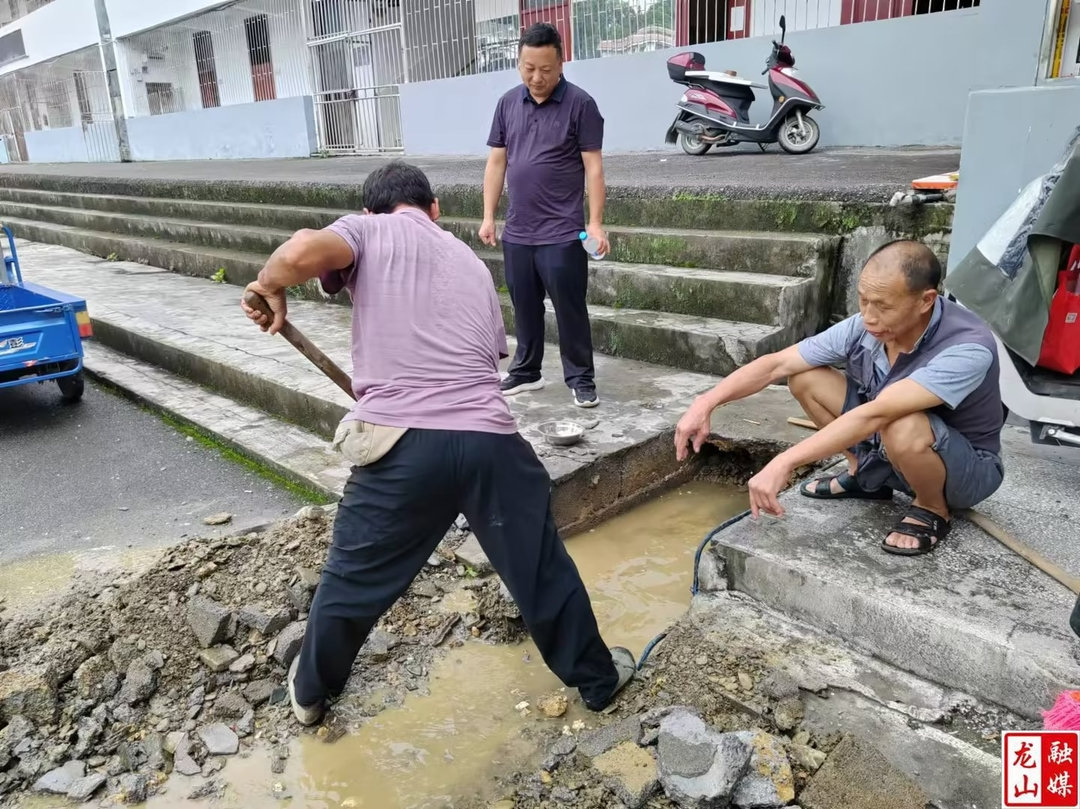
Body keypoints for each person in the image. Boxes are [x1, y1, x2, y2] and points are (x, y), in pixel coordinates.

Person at [240, 161, 635, 726]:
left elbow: (302, 250)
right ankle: (598, 680)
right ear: (435, 211)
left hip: (403, 446)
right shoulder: (471, 262)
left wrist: (268, 285)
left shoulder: (366, 229)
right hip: (492, 442)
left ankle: (309, 694)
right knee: (540, 570)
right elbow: (485, 357)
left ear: (372, 210)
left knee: (353, 581)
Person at [674, 240, 1005, 556]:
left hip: (964, 469)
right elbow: (777, 364)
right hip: (889, 441)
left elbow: (876, 415)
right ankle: (864, 474)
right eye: (863, 300)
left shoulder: (967, 348)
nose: (869, 316)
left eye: (884, 306)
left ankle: (932, 507)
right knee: (806, 377)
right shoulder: (866, 325)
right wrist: (705, 403)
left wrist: (784, 462)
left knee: (901, 422)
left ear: (925, 300)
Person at [479, 21, 607, 409]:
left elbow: (594, 168)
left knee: (569, 309)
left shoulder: (581, 104)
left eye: (545, 69)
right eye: (528, 68)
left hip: (562, 232)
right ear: (519, 63)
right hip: (518, 231)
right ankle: (526, 371)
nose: (536, 77)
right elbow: (496, 162)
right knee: (524, 305)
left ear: (561, 63)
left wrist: (595, 223)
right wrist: (489, 216)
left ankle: (581, 378)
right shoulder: (507, 103)